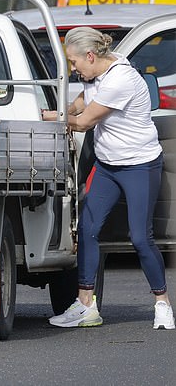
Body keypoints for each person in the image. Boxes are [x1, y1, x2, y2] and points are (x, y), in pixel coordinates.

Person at [42, 26, 174, 330]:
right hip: (107, 166)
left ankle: (163, 303)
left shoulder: (120, 80)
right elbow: (78, 105)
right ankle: (86, 305)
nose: (73, 69)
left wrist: (49, 119)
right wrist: (49, 112)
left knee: (141, 237)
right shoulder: (94, 75)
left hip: (139, 165)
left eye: (75, 63)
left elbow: (85, 121)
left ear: (91, 55)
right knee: (88, 229)